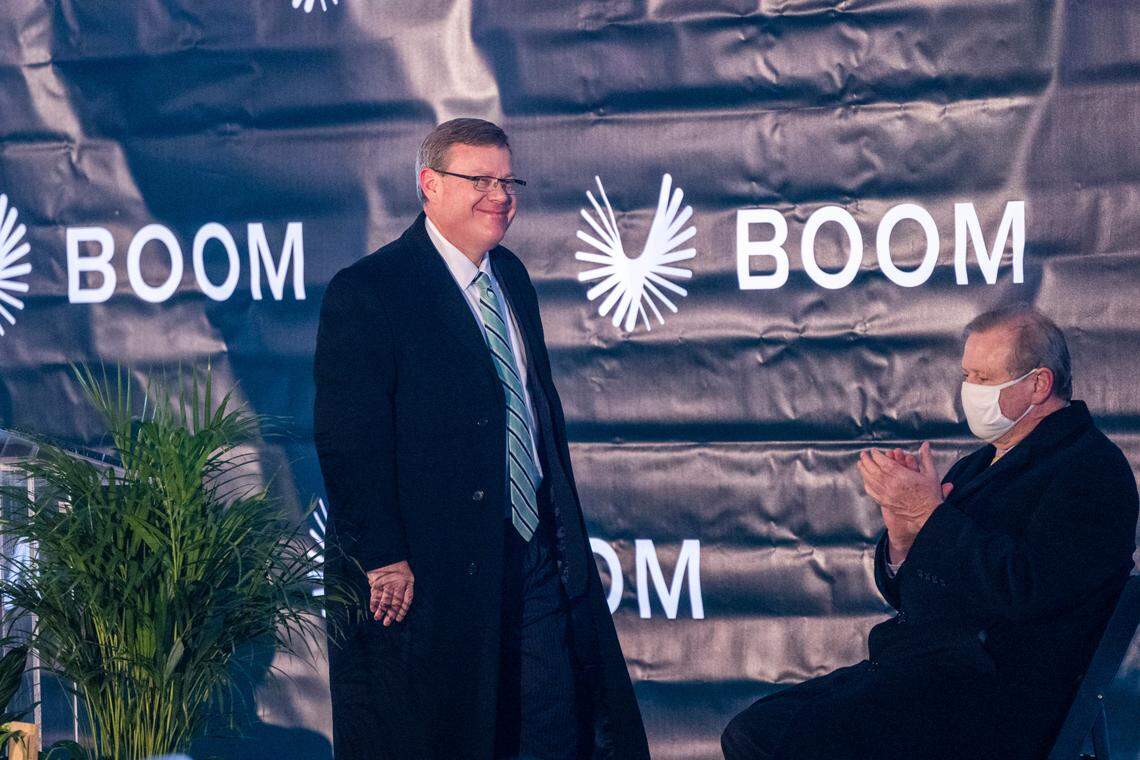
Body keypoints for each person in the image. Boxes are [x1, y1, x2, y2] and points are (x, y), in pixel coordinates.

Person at [313, 118, 649, 760]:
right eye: (480, 180)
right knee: (450, 736)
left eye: (508, 180)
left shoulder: (511, 278)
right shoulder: (371, 291)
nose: (499, 195)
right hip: (431, 573)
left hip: (533, 556)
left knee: (553, 730)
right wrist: (384, 555)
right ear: (429, 186)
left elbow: (535, 413)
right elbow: (350, 440)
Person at [721, 304, 1138, 760]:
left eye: (982, 377)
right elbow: (915, 591)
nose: (969, 391)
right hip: (918, 675)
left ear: (1039, 384)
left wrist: (929, 514)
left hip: (989, 699)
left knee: (768, 739)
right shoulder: (979, 463)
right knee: (757, 727)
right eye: (967, 376)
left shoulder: (1090, 470)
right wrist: (903, 534)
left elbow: (1028, 588)